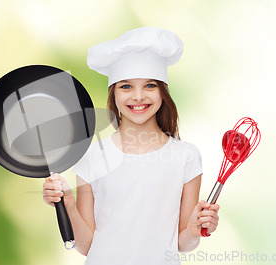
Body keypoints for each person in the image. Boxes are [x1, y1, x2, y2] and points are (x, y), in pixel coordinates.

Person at [42, 27, 220, 265]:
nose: (138, 96)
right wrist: (69, 204)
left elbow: (183, 243)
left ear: (162, 91)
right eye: (126, 86)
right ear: (113, 93)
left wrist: (197, 229)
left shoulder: (185, 156)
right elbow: (86, 246)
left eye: (149, 86)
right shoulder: (92, 155)